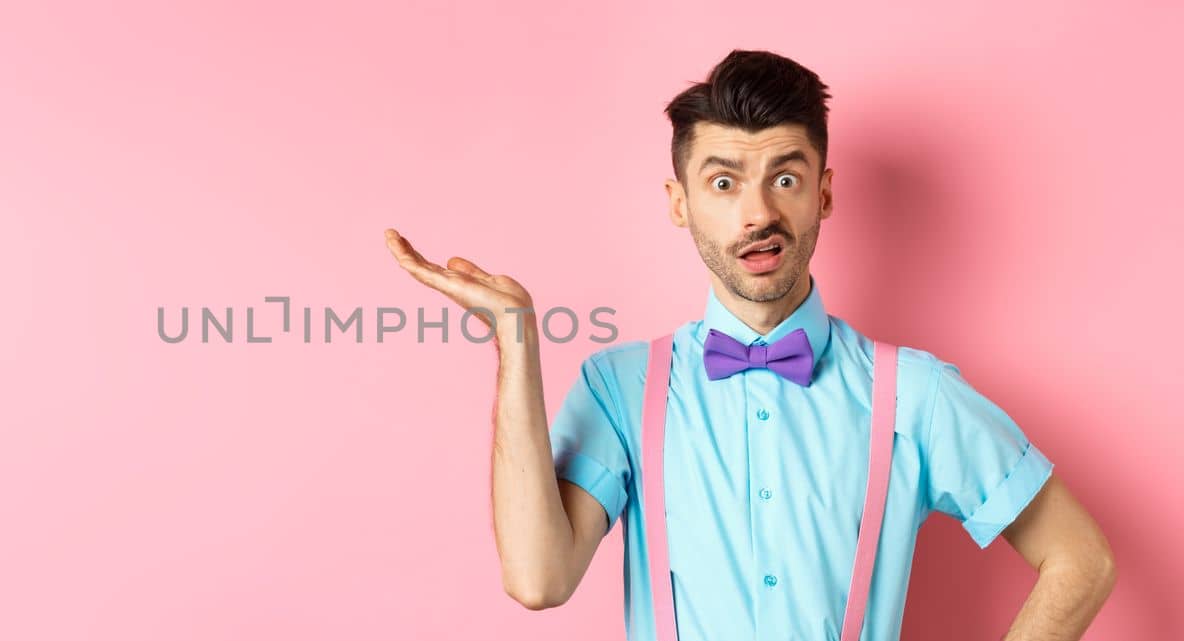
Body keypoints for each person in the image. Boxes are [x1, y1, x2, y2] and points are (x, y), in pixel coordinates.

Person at [382, 49, 1116, 641]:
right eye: (725, 181)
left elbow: (1081, 560)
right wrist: (516, 350)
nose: (758, 212)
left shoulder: (914, 394)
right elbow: (539, 578)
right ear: (681, 203)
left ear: (823, 194)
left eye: (785, 178)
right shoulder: (621, 387)